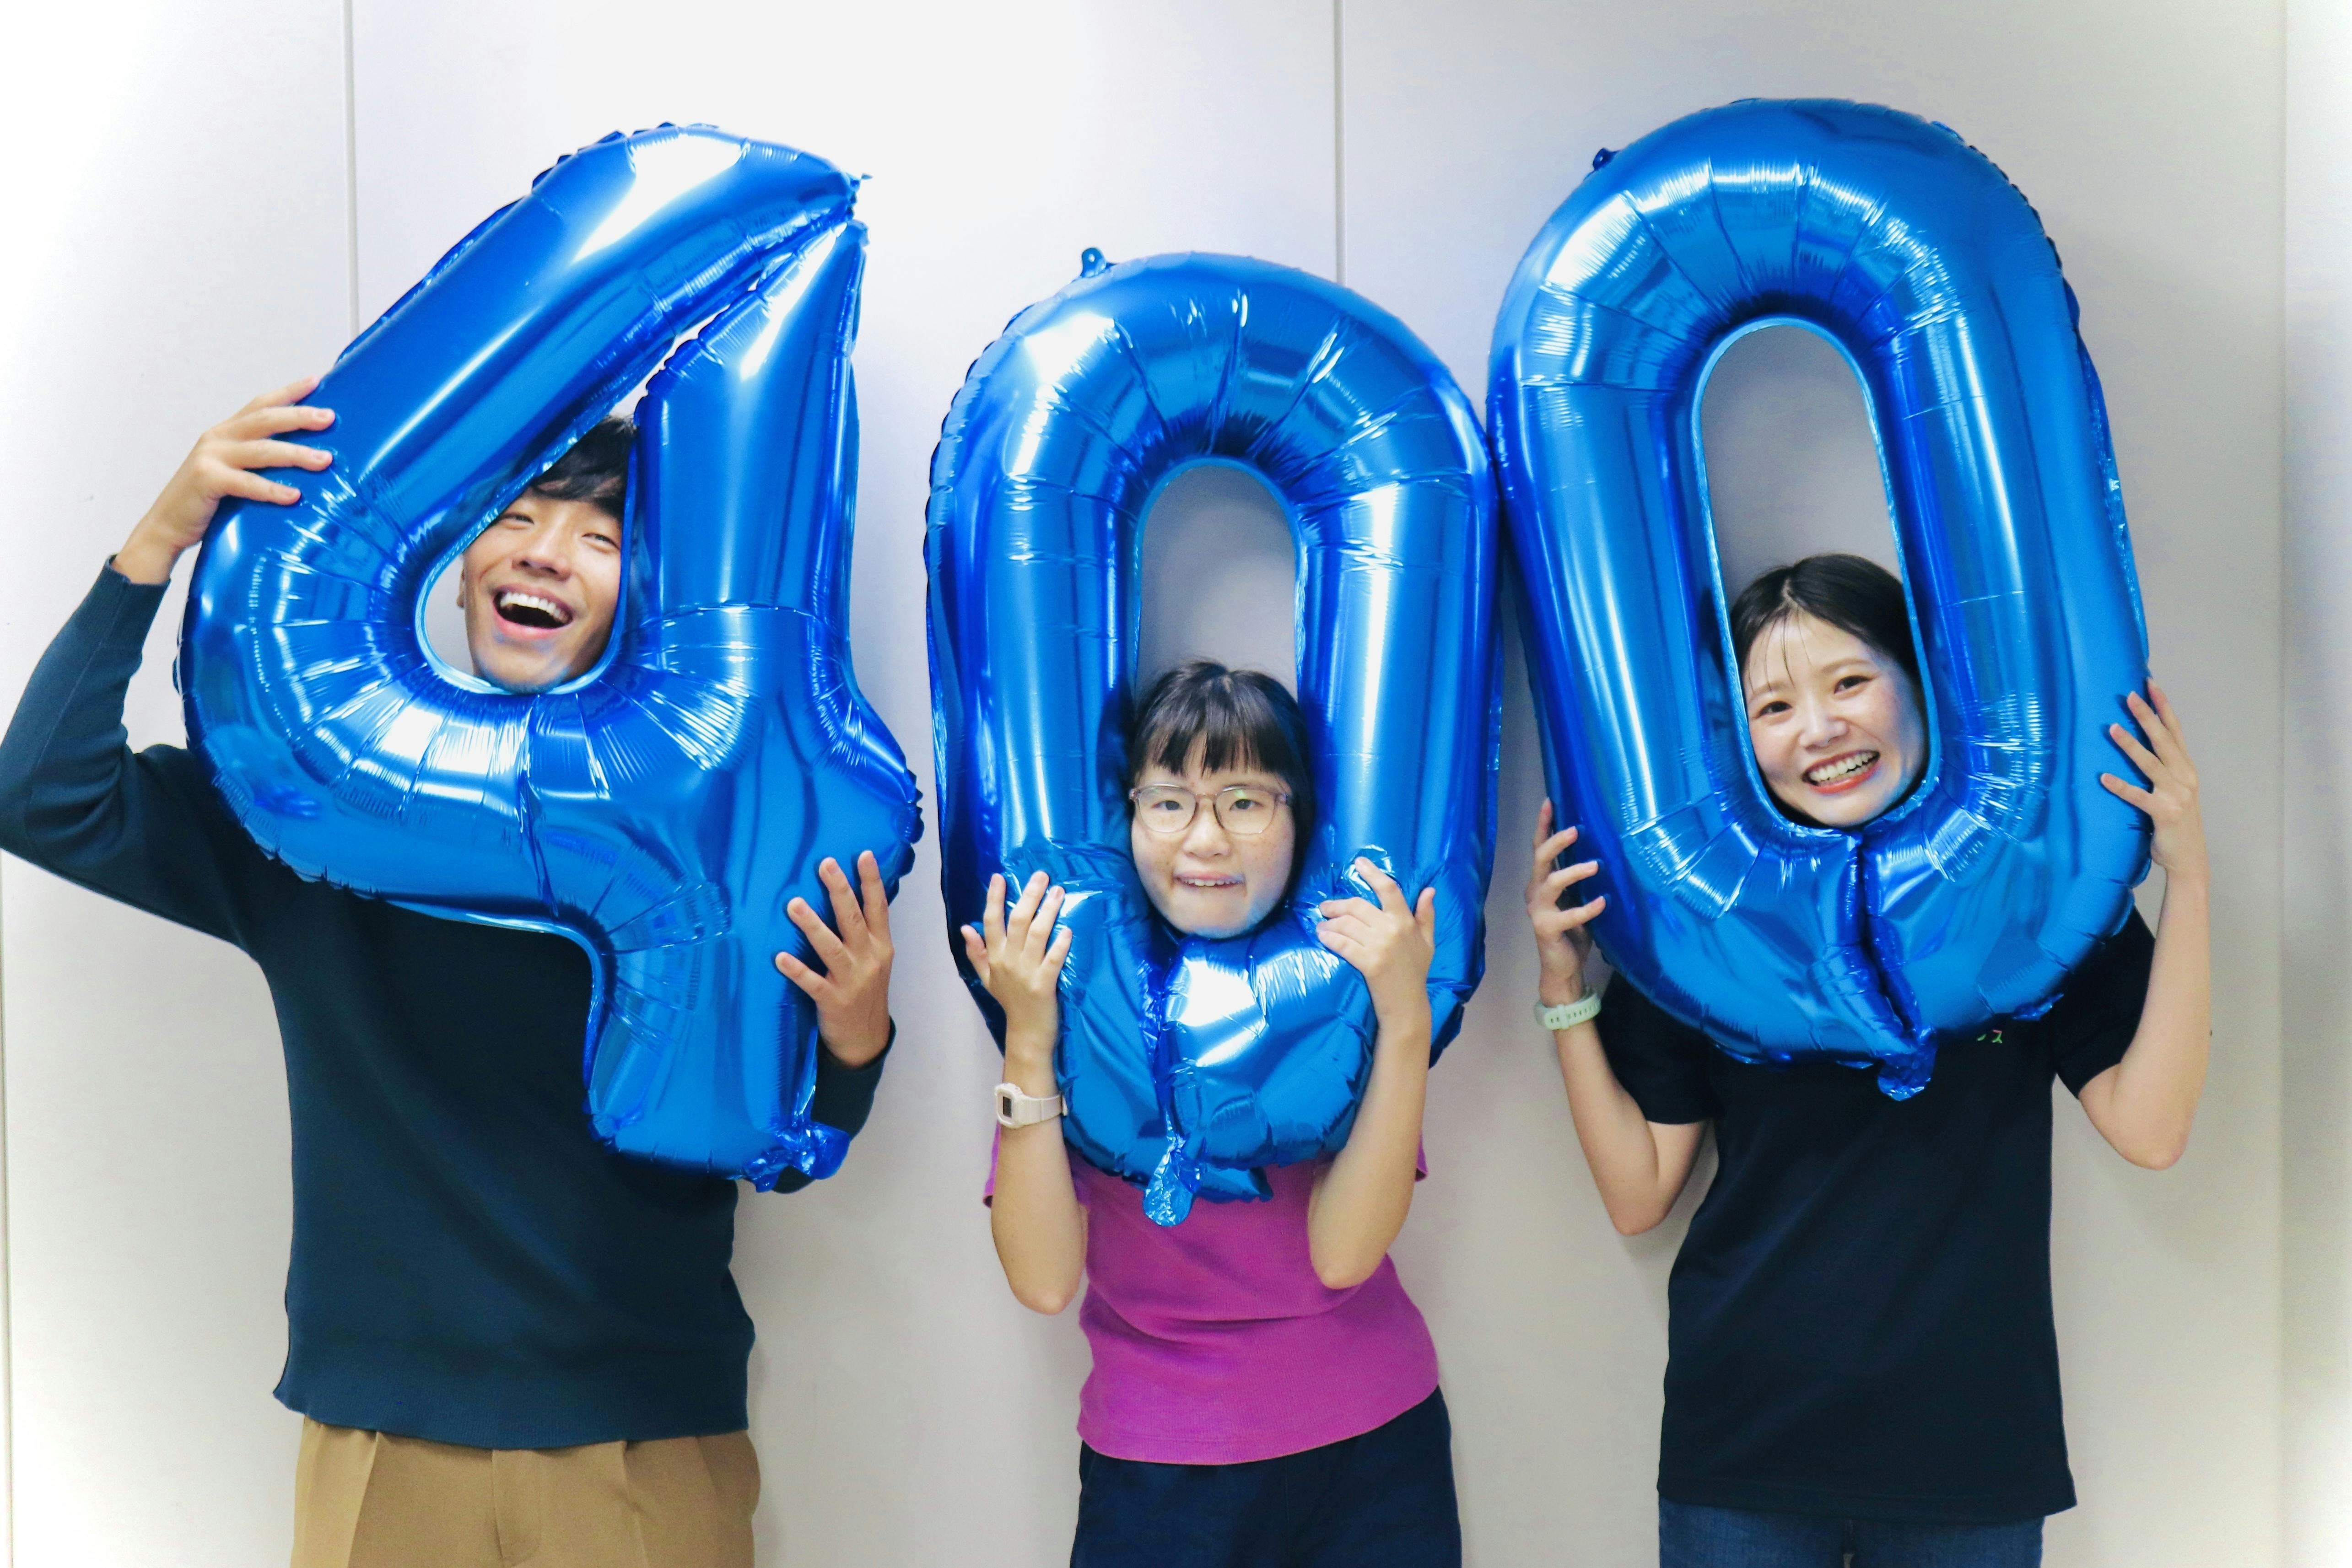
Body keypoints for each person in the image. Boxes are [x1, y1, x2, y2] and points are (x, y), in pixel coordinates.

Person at [0, 378, 903, 1568]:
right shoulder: (315, 815)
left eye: (601, 540)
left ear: (654, 594)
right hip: (383, 1427)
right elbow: (44, 796)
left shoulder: (715, 842)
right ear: (458, 555)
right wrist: (157, 543)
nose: (547, 553)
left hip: (640, 1431)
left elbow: (781, 1149)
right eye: (515, 516)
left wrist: (854, 1040)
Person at [1526, 553, 2209, 1568]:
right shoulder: (1713, 924)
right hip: (1745, 1447)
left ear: (1921, 681)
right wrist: (1563, 988)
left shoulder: (2023, 900)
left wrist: (2188, 875)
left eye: (1848, 682)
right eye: (1773, 707)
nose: (1818, 730)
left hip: (1969, 1451)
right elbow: (1639, 1194)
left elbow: (2150, 1130)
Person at [971, 659, 1461, 1568]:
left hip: (1372, 1447)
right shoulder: (1088, 1007)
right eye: (1168, 803)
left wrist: (1403, 1020)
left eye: (1245, 802)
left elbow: (1342, 1256)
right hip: (1157, 1463)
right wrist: (1028, 1042)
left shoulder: (1333, 1012)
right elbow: (1042, 1281)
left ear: (1297, 820)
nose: (1205, 839)